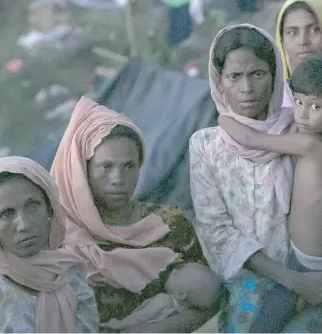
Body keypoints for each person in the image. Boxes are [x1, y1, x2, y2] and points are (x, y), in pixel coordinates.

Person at [190, 24, 322, 332]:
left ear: (274, 74)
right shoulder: (205, 145)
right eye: (234, 77)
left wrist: (315, 279)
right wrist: (293, 282)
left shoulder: (301, 132)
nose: (247, 88)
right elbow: (216, 230)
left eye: (257, 74)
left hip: (308, 275)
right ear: (219, 82)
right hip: (245, 282)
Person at [218, 52, 322, 331]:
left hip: (305, 264)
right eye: (298, 101)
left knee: (265, 324)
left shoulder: (311, 145)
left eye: (316, 106)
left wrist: (223, 119)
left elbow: (253, 140)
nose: (302, 113)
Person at [50, 97, 217, 333]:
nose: (118, 179)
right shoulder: (58, 246)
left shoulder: (169, 223)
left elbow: (209, 299)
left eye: (129, 166)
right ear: (80, 171)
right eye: (105, 167)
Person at [0, 157, 98, 333]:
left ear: (50, 207)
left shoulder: (74, 274)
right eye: (7, 214)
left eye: (33, 206)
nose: (24, 225)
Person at [100, 263, 222, 331]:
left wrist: (120, 324)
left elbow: (140, 317)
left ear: (181, 294)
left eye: (177, 274)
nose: (173, 270)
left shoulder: (163, 300)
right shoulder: (183, 311)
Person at [275, 0, 322, 107]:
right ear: (281, 40)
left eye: (315, 30)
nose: (303, 41)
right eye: (292, 32)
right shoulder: (271, 101)